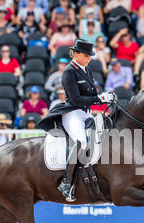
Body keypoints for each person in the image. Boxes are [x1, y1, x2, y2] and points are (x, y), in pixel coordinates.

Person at [37, 39, 114, 201]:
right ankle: (66, 182)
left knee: (104, 134)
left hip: (85, 113)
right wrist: (99, 99)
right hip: (72, 113)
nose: (89, 58)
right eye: (86, 55)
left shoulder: (87, 70)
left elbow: (91, 95)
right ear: (75, 54)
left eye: (90, 56)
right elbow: (77, 99)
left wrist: (104, 98)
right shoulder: (69, 72)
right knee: (82, 142)